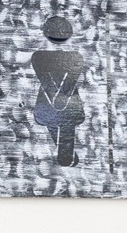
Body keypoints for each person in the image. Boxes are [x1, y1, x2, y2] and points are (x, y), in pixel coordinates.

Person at [29, 13, 88, 166]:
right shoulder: (75, 57)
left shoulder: (39, 56)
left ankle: (66, 158)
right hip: (61, 104)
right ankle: (66, 158)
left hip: (54, 103)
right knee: (63, 126)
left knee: (62, 125)